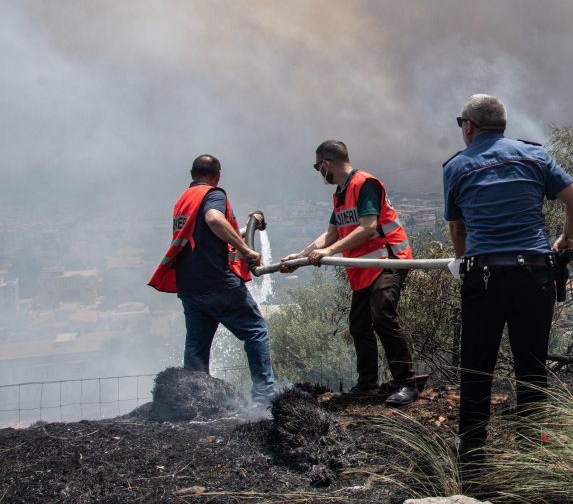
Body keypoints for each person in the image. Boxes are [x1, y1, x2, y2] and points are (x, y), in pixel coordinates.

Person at [443, 94, 573, 462]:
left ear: (469, 127)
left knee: (477, 362)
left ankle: (473, 446)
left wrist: (463, 264)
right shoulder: (535, 156)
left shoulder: (457, 167)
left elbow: (458, 229)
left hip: (485, 276)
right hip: (534, 274)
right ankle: (532, 445)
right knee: (531, 362)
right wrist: (567, 239)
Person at [281, 140, 418, 407]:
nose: (318, 172)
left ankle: (406, 383)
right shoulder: (341, 193)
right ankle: (368, 383)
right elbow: (331, 234)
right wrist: (300, 256)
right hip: (365, 269)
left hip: (388, 260)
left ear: (326, 163)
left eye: (317, 166)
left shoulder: (365, 184)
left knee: (382, 316)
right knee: (358, 325)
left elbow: (368, 228)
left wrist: (330, 250)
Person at [148, 154, 276, 405]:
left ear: (191, 173)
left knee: (196, 349)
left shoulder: (183, 200)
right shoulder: (213, 194)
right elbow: (215, 220)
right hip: (218, 282)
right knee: (255, 331)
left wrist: (250, 227)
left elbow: (209, 235)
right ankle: (265, 398)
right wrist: (248, 251)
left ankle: (196, 402)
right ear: (217, 175)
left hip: (190, 287)